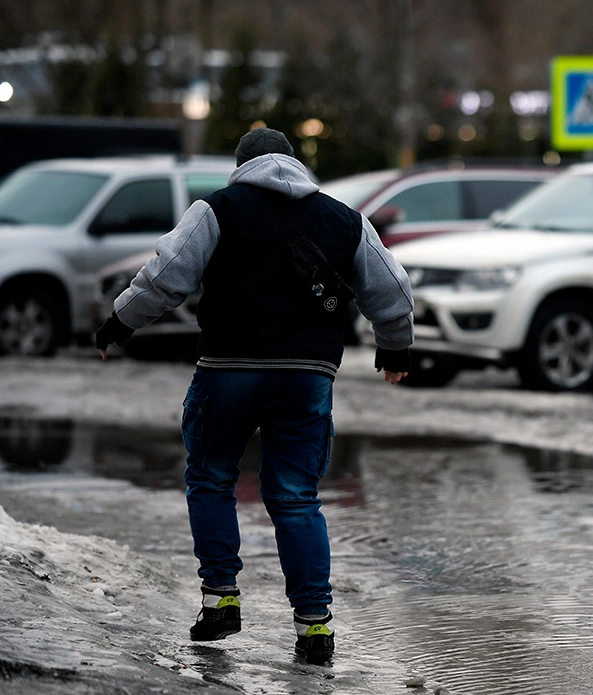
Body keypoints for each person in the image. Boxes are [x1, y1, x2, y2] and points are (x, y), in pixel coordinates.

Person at [94, 127, 414, 665]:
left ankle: (221, 601)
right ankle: (315, 629)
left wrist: (120, 323)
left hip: (229, 370)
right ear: (295, 163)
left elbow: (167, 276)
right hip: (308, 375)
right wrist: (395, 347)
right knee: (295, 496)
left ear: (240, 166)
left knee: (212, 477)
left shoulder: (218, 208)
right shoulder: (343, 218)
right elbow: (391, 288)